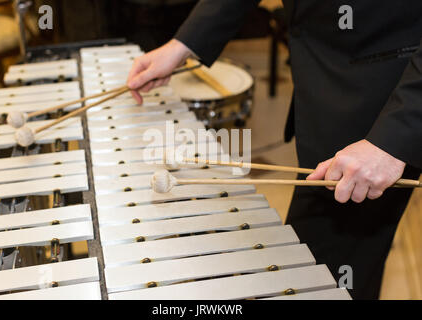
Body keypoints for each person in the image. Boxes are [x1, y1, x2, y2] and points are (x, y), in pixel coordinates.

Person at [126, 0, 422, 299]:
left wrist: (393, 138)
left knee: (321, 278)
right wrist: (184, 43)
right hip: (326, 89)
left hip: (384, 105)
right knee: (325, 273)